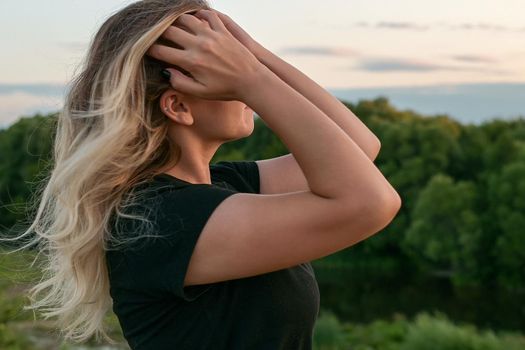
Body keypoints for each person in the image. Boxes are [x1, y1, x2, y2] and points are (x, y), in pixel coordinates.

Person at [3, 0, 401, 349]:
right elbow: (370, 202)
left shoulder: (220, 189)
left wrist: (253, 56)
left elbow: (358, 148)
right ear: (177, 105)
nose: (244, 85)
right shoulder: (158, 220)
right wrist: (254, 80)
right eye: (225, 70)